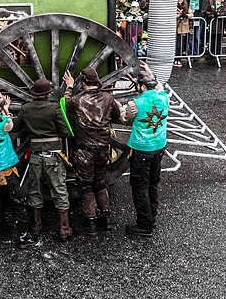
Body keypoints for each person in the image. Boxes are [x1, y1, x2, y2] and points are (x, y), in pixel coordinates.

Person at [12, 78, 73, 242]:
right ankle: (63, 230)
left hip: (35, 157)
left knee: (35, 191)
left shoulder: (26, 109)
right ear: (48, 94)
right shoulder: (54, 108)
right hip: (53, 157)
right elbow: (65, 132)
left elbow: (16, 128)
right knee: (60, 191)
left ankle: (36, 227)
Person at [62, 68, 121, 235]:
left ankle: (90, 222)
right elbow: (116, 114)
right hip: (103, 149)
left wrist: (69, 86)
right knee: (100, 182)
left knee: (86, 185)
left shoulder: (78, 100)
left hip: (85, 151)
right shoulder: (108, 98)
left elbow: (65, 103)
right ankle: (106, 218)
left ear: (83, 83)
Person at [0, 91, 36, 249]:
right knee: (19, 198)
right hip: (3, 165)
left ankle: (0, 219)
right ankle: (23, 236)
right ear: (1, 107)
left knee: (3, 191)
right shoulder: (4, 123)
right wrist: (7, 109)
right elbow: (11, 125)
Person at [119, 63, 169, 237]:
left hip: (141, 151)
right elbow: (160, 86)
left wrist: (120, 107)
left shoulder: (136, 104)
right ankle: (152, 217)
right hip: (159, 148)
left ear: (141, 87)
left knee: (139, 187)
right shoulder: (164, 97)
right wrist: (150, 74)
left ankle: (144, 225)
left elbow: (124, 119)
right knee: (152, 184)